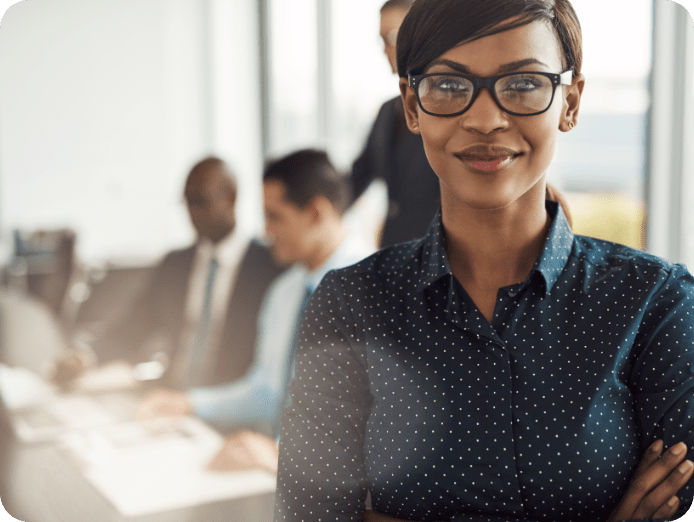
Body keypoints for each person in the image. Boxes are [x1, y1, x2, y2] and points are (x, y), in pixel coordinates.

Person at [274, 1, 694, 521]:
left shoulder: (656, 303)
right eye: (448, 86)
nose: (485, 119)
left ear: (571, 101)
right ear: (411, 105)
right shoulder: (349, 304)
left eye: (522, 84)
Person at [138, 149, 373, 437]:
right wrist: (189, 403)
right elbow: (266, 392)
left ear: (315, 214)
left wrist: (276, 460)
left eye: (274, 217)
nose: (266, 230)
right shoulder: (284, 292)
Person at [86, 157, 283, 418]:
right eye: (186, 202)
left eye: (200, 201)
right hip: (169, 401)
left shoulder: (270, 267)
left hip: (229, 412)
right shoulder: (175, 264)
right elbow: (131, 328)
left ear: (231, 197)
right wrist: (86, 357)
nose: (191, 213)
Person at [349, 0, 441, 248]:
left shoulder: (449, 108)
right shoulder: (387, 111)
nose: (385, 49)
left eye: (391, 36)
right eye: (382, 40)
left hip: (439, 254)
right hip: (394, 250)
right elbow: (358, 176)